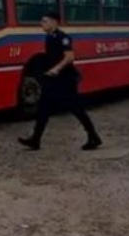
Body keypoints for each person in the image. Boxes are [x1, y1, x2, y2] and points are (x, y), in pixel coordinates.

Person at [19, 12, 102, 152]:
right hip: (53, 79)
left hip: (66, 80)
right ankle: (35, 139)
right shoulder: (49, 38)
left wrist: (56, 69)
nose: (42, 24)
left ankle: (93, 136)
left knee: (76, 109)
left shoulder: (63, 38)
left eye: (45, 21)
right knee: (43, 108)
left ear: (54, 22)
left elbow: (69, 57)